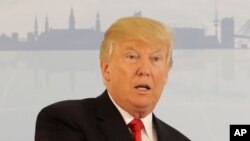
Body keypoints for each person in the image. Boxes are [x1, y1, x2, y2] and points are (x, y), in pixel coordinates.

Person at [35, 17, 190, 141]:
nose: (144, 70)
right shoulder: (64, 120)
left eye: (155, 59)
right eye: (132, 57)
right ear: (106, 69)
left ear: (166, 74)